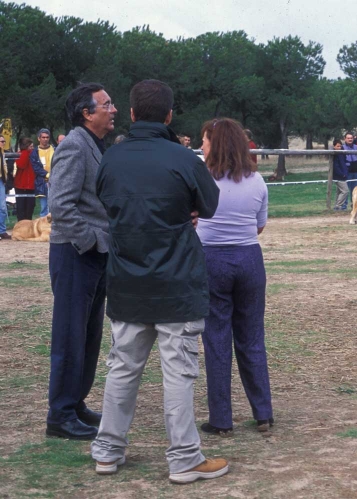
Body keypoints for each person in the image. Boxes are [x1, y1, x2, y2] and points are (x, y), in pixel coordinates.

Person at [92, 80, 226, 484]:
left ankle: (107, 452)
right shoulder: (184, 159)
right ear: (169, 116)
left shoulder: (111, 159)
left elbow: (107, 203)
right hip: (177, 284)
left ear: (132, 114)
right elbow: (211, 204)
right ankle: (184, 458)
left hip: (128, 282)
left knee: (122, 368)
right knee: (178, 372)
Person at [46, 83, 116, 441]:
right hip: (76, 254)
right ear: (87, 114)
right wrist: (90, 242)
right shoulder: (74, 145)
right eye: (106, 104)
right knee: (70, 337)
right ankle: (59, 415)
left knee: (88, 337)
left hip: (94, 255)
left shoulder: (95, 146)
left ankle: (74, 404)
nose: (114, 109)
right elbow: (61, 206)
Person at [196, 118, 274, 438]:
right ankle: (263, 413)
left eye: (204, 140)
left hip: (211, 259)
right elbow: (259, 226)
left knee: (216, 340)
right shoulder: (257, 181)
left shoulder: (201, 178)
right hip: (249, 259)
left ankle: (221, 419)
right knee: (252, 338)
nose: (201, 146)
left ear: (215, 144)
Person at [30, 128, 54, 217]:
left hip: (55, 181)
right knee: (44, 207)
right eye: (43, 137)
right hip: (41, 182)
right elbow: (36, 168)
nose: (45, 139)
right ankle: (43, 229)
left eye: (47, 137)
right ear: (39, 138)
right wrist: (47, 175)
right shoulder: (34, 153)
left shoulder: (55, 150)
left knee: (54, 207)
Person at [14, 137, 36, 221]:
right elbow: (21, 165)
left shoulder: (34, 155)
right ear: (26, 147)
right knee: (21, 211)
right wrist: (25, 153)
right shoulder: (20, 154)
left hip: (31, 186)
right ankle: (21, 230)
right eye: (30, 146)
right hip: (20, 186)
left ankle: (28, 231)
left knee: (29, 210)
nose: (32, 148)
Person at [343, 132, 357, 201]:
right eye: (348, 138)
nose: (350, 139)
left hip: (356, 172)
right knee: (345, 190)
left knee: (356, 191)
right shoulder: (342, 148)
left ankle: (354, 205)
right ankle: (344, 206)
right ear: (345, 139)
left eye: (351, 138)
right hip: (347, 173)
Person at [332, 138, 348, 210]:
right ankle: (338, 205)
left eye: (340, 146)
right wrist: (342, 174)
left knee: (339, 192)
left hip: (342, 175)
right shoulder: (334, 155)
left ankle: (336, 206)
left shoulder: (341, 154)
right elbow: (336, 167)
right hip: (338, 176)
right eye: (338, 146)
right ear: (334, 146)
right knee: (345, 191)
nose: (339, 147)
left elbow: (343, 164)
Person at [0, 135, 10, 239]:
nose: (3, 143)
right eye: (2, 141)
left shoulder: (2, 153)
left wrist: (5, 178)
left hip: (1, 181)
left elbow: (4, 166)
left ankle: (2, 230)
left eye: (4, 141)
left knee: (2, 207)